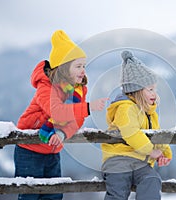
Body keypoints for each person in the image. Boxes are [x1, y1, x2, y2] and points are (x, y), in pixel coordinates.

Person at [14, 30, 108, 200]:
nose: (83, 71)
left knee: (54, 194)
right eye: (78, 66)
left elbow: (76, 119)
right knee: (30, 195)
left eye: (84, 66)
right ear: (64, 68)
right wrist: (87, 107)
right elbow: (56, 111)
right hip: (29, 150)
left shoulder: (78, 91)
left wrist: (62, 133)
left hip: (52, 150)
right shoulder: (46, 86)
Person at [101, 50, 172, 200]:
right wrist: (152, 152)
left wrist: (164, 153)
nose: (154, 93)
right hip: (118, 161)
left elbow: (156, 135)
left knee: (152, 180)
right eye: (150, 89)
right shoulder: (126, 108)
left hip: (140, 163)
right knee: (118, 191)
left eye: (155, 89)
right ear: (137, 90)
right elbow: (131, 133)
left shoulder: (150, 113)